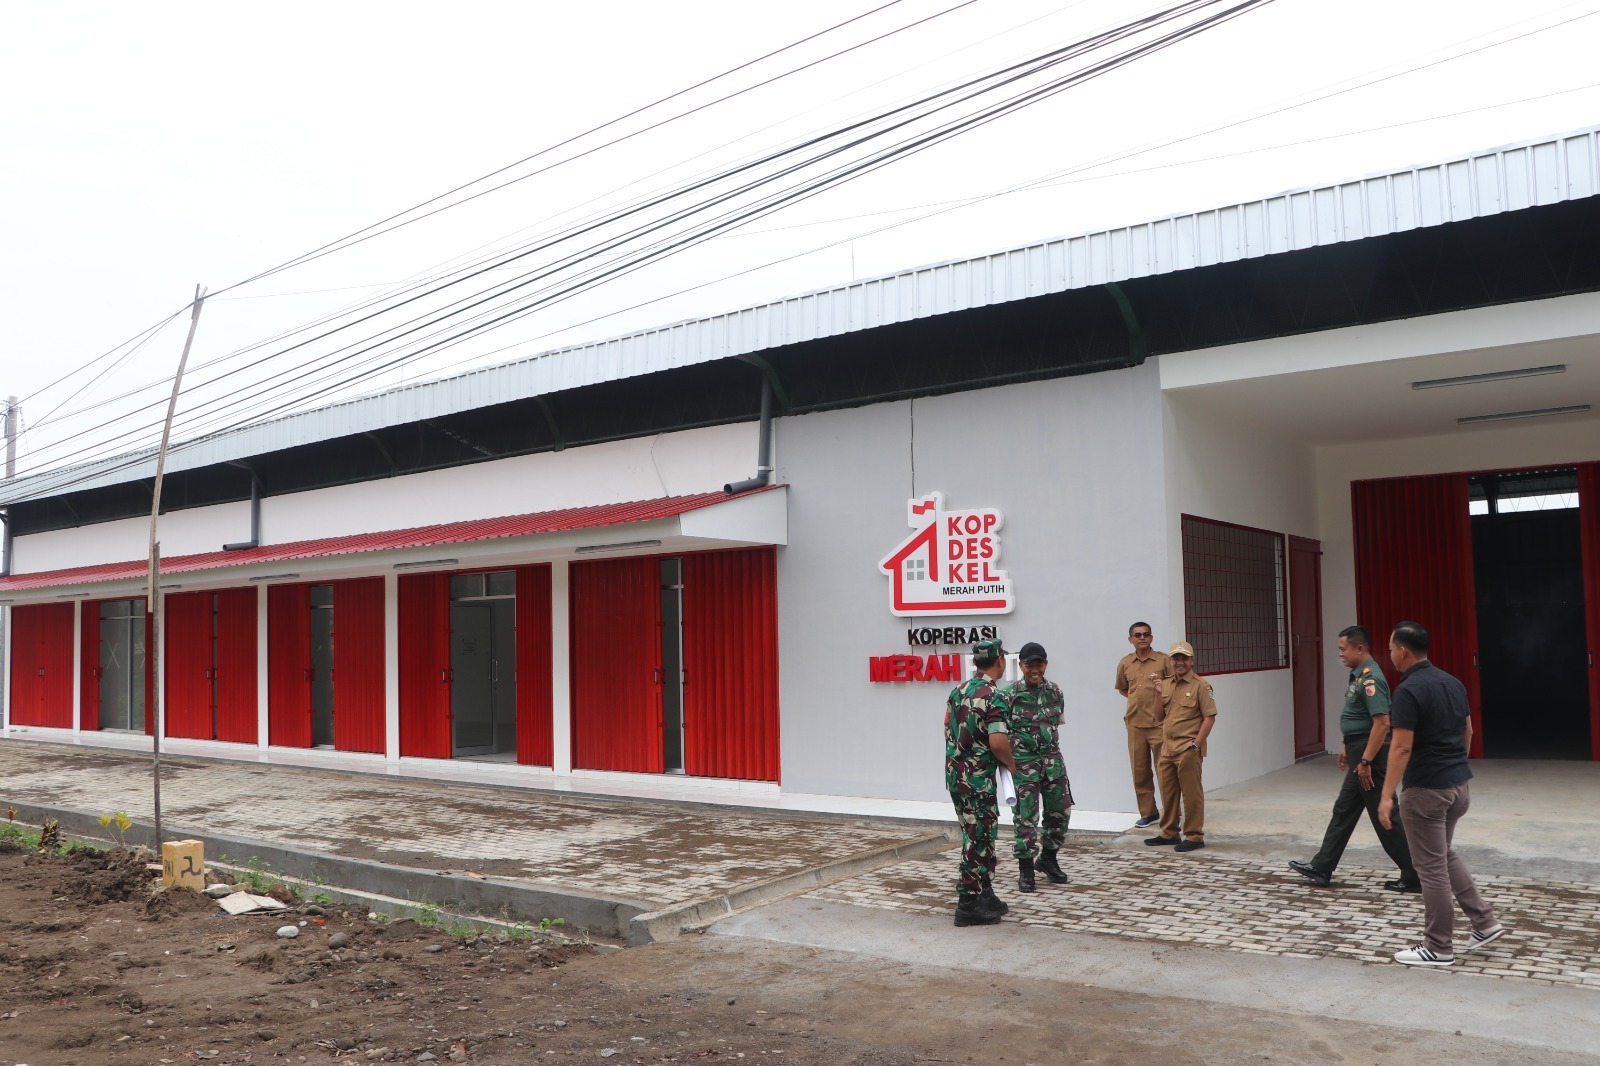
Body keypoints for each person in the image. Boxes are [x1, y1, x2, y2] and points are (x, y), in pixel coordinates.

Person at [1378, 621, 1505, 966]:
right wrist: (1454, 766)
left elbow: (1401, 747)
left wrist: (1387, 795)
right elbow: (1468, 731)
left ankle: (1438, 946)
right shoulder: (1453, 683)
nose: (1390, 655)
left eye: (1391, 649)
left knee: (1430, 867)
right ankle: (1484, 922)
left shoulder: (1408, 691)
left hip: (1426, 791)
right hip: (1458, 786)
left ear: (1403, 651)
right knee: (1442, 855)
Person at [1288, 625, 1420, 892]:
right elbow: (1360, 720)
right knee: (1344, 809)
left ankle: (1415, 874)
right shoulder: (1359, 676)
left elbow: (1382, 723)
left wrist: (1365, 761)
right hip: (1360, 750)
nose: (1340, 654)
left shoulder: (1371, 679)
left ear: (1359, 649)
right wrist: (1348, 747)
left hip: (1370, 756)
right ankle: (1323, 866)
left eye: (1343, 649)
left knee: (1385, 816)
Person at [944, 638, 1017, 927]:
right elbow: (998, 742)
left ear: (976, 662)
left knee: (978, 833)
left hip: (956, 776)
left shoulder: (958, 690)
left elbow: (947, 727)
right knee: (979, 838)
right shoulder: (994, 695)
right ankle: (968, 903)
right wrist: (1012, 764)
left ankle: (985, 893)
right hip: (978, 781)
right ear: (1000, 660)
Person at [996, 642, 1072, 892]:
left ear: (1046, 665)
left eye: (1040, 664)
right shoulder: (1008, 695)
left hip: (1053, 763)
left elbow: (1056, 724)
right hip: (1022, 765)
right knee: (1025, 818)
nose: (1035, 669)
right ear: (1021, 666)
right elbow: (999, 732)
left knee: (1060, 813)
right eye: (1030, 665)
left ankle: (1048, 859)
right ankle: (1026, 869)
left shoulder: (1055, 692)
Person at [1145, 641, 1215, 853]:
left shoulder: (1201, 686)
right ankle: (1169, 832)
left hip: (1187, 749)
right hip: (1167, 748)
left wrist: (1196, 745)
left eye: (1184, 658)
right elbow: (1159, 716)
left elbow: (1209, 717)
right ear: (1171, 661)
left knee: (1192, 794)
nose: (1180, 662)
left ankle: (1194, 835)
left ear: (1192, 661)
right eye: (1176, 658)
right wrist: (1158, 693)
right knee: (1168, 793)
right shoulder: (1165, 684)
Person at [1115, 622, 1170, 828]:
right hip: (1135, 725)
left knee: (1165, 772)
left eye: (1146, 634)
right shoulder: (1125, 663)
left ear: (1151, 638)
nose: (1142, 638)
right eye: (1137, 635)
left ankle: (1171, 813)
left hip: (1159, 724)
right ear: (1131, 639)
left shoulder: (1163, 660)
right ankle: (1149, 813)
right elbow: (1124, 689)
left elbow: (1173, 687)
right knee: (1140, 772)